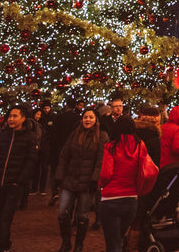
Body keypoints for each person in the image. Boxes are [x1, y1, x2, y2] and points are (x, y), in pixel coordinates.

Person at [0, 104, 40, 252]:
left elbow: (31, 161)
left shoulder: (30, 138)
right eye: (10, 116)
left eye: (15, 116)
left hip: (14, 184)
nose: (11, 119)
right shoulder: (4, 136)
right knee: (1, 216)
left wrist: (20, 181)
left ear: (23, 118)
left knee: (6, 217)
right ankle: (4, 243)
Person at [54, 107, 106, 252]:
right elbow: (64, 156)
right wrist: (59, 175)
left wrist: (95, 179)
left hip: (87, 183)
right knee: (62, 213)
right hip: (70, 180)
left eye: (90, 117)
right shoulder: (74, 134)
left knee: (82, 216)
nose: (87, 120)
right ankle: (66, 243)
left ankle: (79, 245)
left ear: (96, 120)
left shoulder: (101, 136)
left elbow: (101, 160)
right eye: (85, 117)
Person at [99, 115, 151, 252]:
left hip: (111, 198)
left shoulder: (110, 147)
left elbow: (106, 173)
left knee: (112, 242)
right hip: (131, 198)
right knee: (119, 238)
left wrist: (100, 186)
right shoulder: (140, 146)